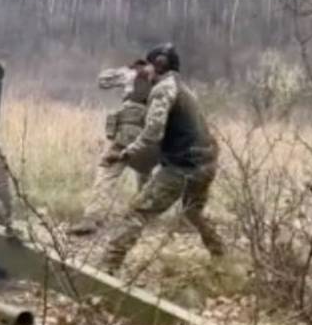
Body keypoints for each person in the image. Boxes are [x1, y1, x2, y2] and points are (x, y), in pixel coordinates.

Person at [99, 43, 225, 274]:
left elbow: (153, 132)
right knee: (193, 211)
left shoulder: (162, 90)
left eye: (146, 65)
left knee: (136, 213)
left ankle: (106, 268)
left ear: (153, 66)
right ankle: (220, 254)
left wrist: (125, 153)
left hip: (182, 167)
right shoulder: (184, 89)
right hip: (206, 163)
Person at [68, 59, 159, 236]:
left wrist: (127, 68)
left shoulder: (131, 74)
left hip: (127, 133)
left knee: (107, 171)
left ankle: (91, 218)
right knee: (145, 175)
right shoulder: (164, 81)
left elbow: (103, 80)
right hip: (149, 133)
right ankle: (143, 218)